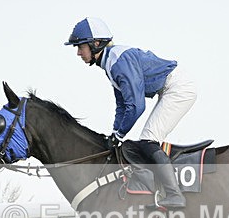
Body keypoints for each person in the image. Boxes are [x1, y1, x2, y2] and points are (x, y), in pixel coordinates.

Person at [64, 17, 196, 208]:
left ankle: (175, 194)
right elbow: (122, 104)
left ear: (96, 44)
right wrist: (115, 133)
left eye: (80, 47)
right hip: (169, 87)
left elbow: (135, 106)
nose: (78, 53)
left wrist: (120, 133)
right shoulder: (110, 62)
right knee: (146, 139)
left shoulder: (118, 62)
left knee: (149, 139)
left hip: (178, 87)